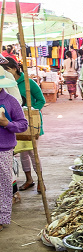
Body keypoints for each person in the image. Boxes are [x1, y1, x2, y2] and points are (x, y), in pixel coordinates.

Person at [3, 57, 45, 193]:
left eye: (7, 69)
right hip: (11, 124)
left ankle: (40, 180)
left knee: (33, 153)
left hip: (29, 122)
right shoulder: (4, 84)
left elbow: (41, 100)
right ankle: (29, 179)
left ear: (15, 68)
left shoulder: (28, 82)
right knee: (23, 154)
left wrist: (29, 110)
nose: (5, 72)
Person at [0, 70, 28, 231]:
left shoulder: (10, 101)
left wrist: (6, 123)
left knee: (4, 184)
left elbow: (23, 124)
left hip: (3, 149)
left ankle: (2, 218)